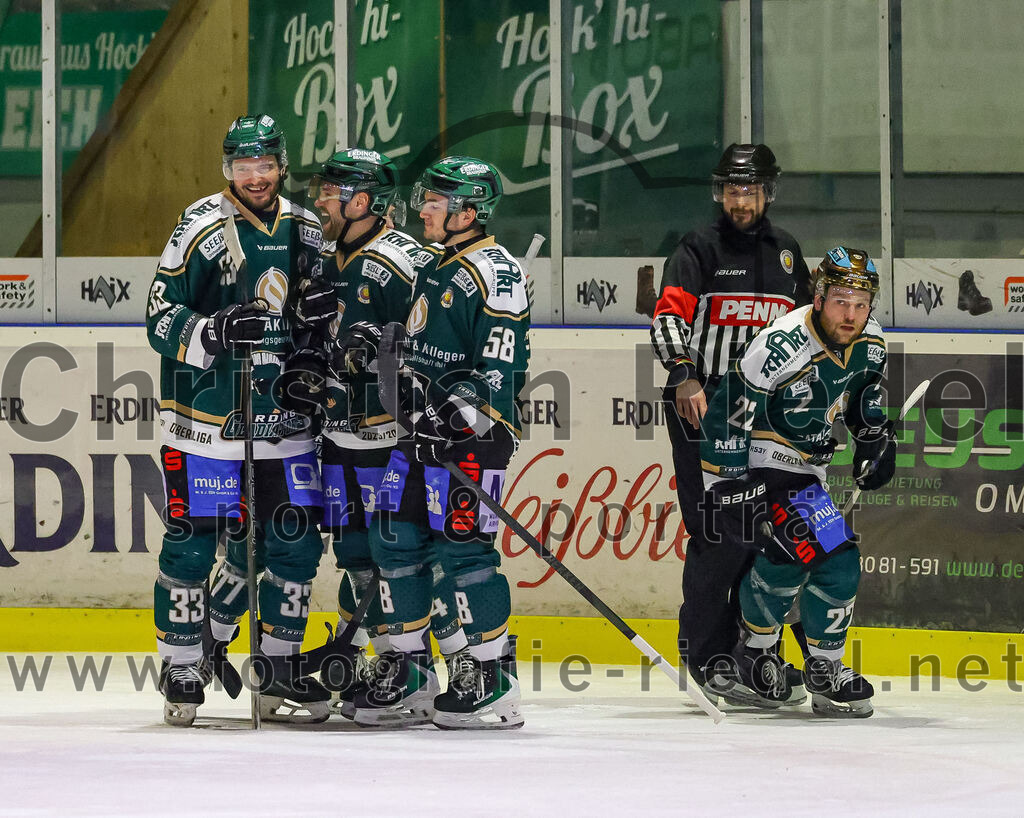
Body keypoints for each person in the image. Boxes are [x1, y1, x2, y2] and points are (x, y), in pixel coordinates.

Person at [147, 114, 337, 726]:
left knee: (294, 545)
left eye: (264, 165)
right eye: (242, 166)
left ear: (282, 165)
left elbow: (326, 318)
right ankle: (182, 664)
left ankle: (275, 667)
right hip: (204, 422)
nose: (254, 177)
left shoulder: (308, 228)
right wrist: (213, 328)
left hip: (285, 427)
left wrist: (318, 323)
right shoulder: (199, 224)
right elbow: (158, 317)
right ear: (228, 169)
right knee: (192, 546)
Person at [351, 156, 530, 730]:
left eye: (436, 202)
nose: (423, 208)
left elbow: (500, 369)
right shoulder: (436, 265)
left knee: (465, 554)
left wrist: (452, 418)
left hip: (470, 440)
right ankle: (408, 671)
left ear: (469, 212)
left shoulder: (498, 273)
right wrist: (376, 342)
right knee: (394, 541)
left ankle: (491, 679)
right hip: (417, 435)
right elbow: (422, 345)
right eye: (426, 199)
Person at [306, 147, 466, 717]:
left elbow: (436, 344)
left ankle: (423, 669)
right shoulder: (326, 254)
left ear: (364, 202)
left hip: (388, 441)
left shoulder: (407, 261)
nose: (322, 200)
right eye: (323, 191)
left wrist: (385, 345)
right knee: (354, 555)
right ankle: (391, 663)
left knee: (403, 555)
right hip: (336, 436)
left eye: (332, 192)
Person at [700, 246, 893, 718]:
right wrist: (728, 486)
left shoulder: (872, 342)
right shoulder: (778, 345)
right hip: (768, 464)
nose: (851, 314)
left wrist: (873, 440)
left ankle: (755, 655)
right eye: (842, 300)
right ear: (820, 294)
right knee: (838, 558)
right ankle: (825, 670)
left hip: (809, 468)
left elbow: (862, 399)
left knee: (786, 560)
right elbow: (728, 417)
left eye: (861, 303)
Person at [649, 143, 812, 704]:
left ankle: (755, 652)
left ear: (769, 192)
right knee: (718, 534)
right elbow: (669, 315)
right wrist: (684, 375)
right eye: (733, 191)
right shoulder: (698, 247)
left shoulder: (788, 252)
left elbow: (811, 329)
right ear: (721, 193)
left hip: (769, 419)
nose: (741, 201)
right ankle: (708, 655)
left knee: (769, 535)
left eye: (751, 190)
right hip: (707, 406)